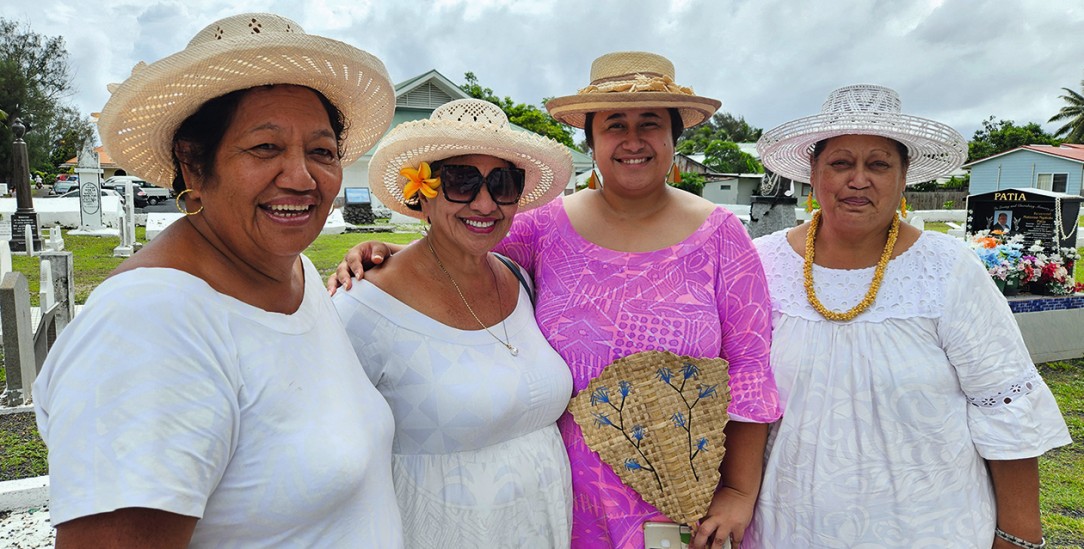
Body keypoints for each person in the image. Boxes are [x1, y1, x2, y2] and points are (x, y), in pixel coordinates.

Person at [331, 51, 781, 549]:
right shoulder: (546, 228)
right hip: (560, 504)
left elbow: (749, 368)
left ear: (675, 137)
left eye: (650, 123)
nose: (632, 140)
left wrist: (738, 492)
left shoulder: (720, 237)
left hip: (682, 503)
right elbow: (463, 243)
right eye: (615, 125)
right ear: (591, 139)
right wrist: (385, 253)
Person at [33, 13, 403, 547]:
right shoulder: (149, 327)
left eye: (321, 151)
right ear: (193, 165)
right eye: (264, 148)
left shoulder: (287, 271)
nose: (301, 177)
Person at [749, 84, 1072, 547]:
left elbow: (1003, 404)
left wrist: (1018, 533)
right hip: (788, 523)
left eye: (879, 164)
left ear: (903, 179)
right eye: (840, 163)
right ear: (813, 175)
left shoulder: (947, 269)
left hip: (929, 525)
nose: (858, 180)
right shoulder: (760, 264)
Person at [332, 98, 575, 547]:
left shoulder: (520, 279)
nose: (484, 203)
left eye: (503, 183)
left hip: (542, 526)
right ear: (422, 192)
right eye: (462, 181)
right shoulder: (363, 309)